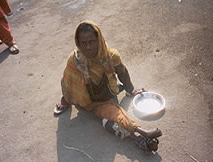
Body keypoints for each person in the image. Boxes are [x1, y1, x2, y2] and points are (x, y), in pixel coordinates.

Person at [54, 21, 162, 152]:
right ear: (78, 43)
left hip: (107, 93)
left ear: (99, 40)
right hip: (90, 104)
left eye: (92, 42)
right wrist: (65, 100)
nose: (88, 47)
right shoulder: (75, 60)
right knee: (109, 120)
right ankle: (139, 137)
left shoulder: (110, 56)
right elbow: (67, 82)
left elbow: (122, 71)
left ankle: (141, 133)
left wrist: (130, 90)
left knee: (112, 115)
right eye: (84, 43)